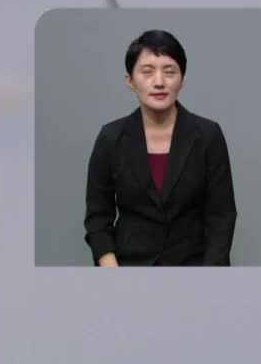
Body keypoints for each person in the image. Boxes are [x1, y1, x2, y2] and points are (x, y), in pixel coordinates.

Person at [84, 29, 237, 265]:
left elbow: (222, 216)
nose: (159, 82)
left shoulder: (208, 135)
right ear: (130, 81)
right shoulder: (110, 138)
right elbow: (97, 217)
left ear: (182, 80)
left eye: (169, 71)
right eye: (147, 72)